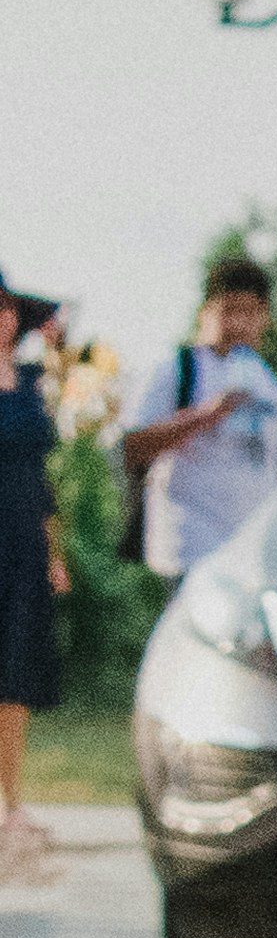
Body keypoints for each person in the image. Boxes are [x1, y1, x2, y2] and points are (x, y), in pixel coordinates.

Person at [122, 256, 277, 578]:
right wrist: (206, 416)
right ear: (206, 312)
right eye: (229, 311)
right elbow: (132, 447)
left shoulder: (267, 382)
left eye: (250, 312)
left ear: (265, 318)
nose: (238, 324)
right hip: (190, 552)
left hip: (249, 556)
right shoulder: (179, 369)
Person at [0, 293, 68, 870]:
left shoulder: (28, 381)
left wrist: (54, 553)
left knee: (15, 678)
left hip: (24, 542)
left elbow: (42, 477)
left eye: (3, 307)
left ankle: (12, 807)